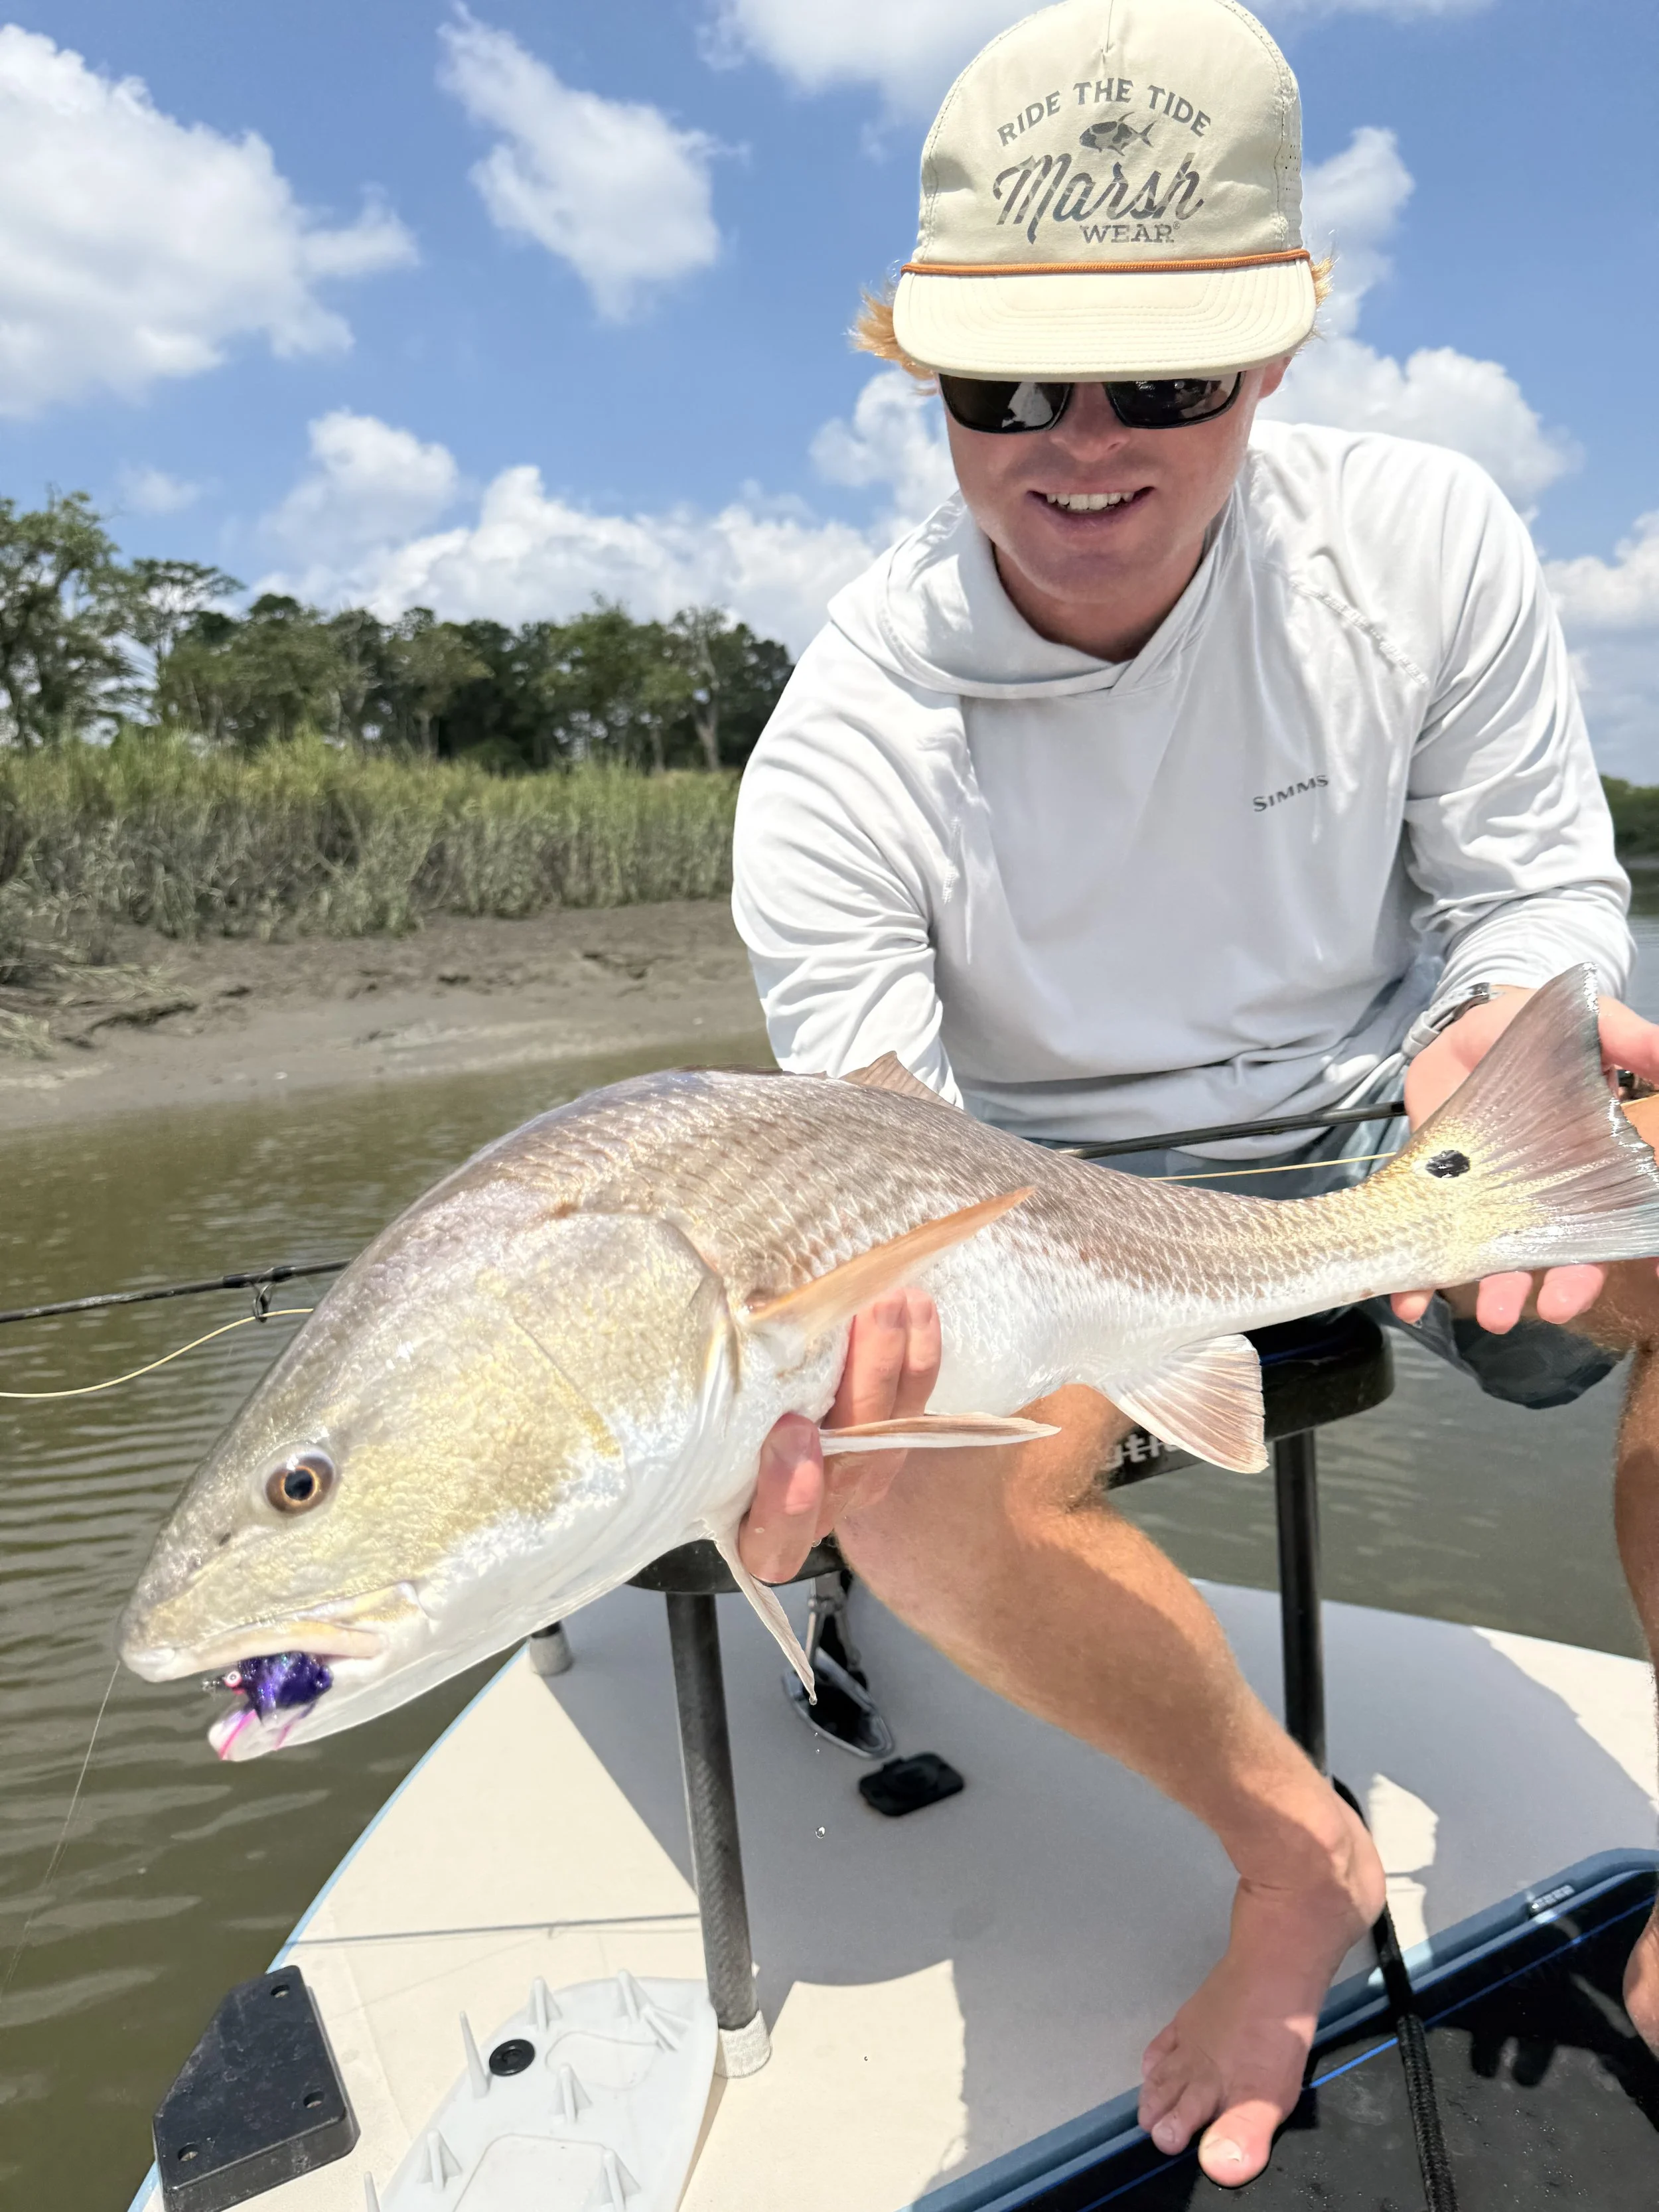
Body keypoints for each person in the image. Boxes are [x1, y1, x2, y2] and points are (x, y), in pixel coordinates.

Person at [729, 0, 1659, 2188]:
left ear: (1275, 358)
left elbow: (1533, 891)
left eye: (1163, 378)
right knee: (899, 1472)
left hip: (1381, 1123)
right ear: (922, 380)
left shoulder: (1419, 544)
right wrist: (810, 1403)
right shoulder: (842, 742)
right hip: (1046, 1201)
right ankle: (1286, 1859)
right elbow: (885, 1163)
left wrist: (1503, 1028)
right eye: (1001, 389)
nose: (1078, 444)